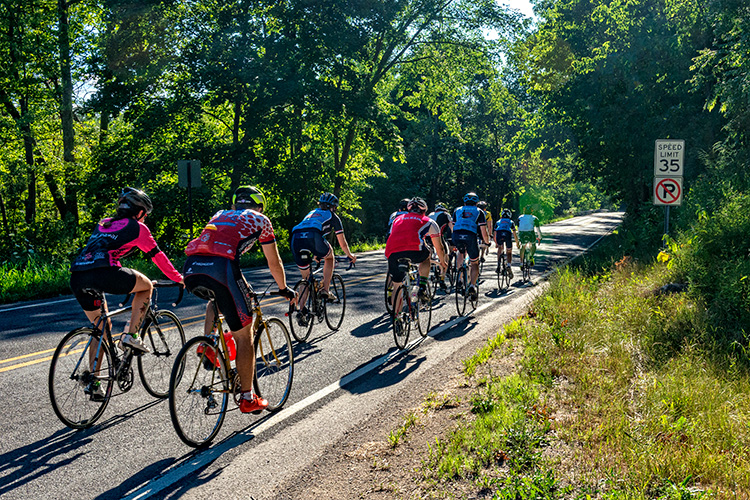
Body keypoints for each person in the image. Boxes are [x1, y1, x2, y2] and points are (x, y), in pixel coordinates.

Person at [182, 185, 295, 414]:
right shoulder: (260, 219)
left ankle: (209, 343)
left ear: (235, 204)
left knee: (217, 298)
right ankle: (247, 397)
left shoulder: (220, 214)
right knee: (245, 336)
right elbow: (274, 262)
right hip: (222, 271)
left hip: (192, 269)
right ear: (260, 206)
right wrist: (283, 288)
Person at [70, 187, 184, 400]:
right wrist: (179, 278)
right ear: (140, 212)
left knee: (101, 327)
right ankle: (131, 335)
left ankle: (94, 382)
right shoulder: (138, 228)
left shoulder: (104, 222)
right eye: (145, 213)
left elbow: (103, 249)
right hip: (105, 274)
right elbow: (158, 257)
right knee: (146, 285)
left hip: (78, 275)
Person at [290, 192, 357, 326]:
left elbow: (308, 231)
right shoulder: (333, 216)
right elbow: (342, 242)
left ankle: (301, 310)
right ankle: (325, 290)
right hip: (313, 238)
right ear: (334, 207)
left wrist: (316, 253)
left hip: (295, 239)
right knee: (330, 257)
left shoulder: (311, 213)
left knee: (306, 279)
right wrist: (350, 255)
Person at [385, 197, 447, 316]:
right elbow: (439, 247)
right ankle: (422, 286)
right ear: (424, 210)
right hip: (415, 251)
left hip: (392, 252)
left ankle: (397, 319)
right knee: (426, 257)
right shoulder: (428, 221)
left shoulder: (396, 219)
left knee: (397, 286)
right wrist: (443, 262)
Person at [452, 192, 490, 300]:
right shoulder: (479, 212)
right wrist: (487, 242)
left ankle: (459, 278)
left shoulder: (457, 210)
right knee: (474, 263)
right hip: (470, 236)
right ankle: (472, 286)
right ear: (477, 203)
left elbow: (453, 226)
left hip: (457, 234)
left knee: (461, 251)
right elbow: (484, 230)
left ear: (464, 201)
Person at [427, 203, 453, 291]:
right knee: (445, 255)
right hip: (437, 236)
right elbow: (452, 228)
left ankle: (431, 264)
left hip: (427, 237)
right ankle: (442, 278)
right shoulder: (446, 215)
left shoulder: (430, 214)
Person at [493, 208, 519, 278]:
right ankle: (508, 265)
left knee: (500, 248)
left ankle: (498, 265)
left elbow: (494, 233)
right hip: (507, 234)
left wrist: (496, 243)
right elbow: (514, 233)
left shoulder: (498, 221)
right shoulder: (511, 222)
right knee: (509, 251)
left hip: (499, 233)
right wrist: (517, 242)